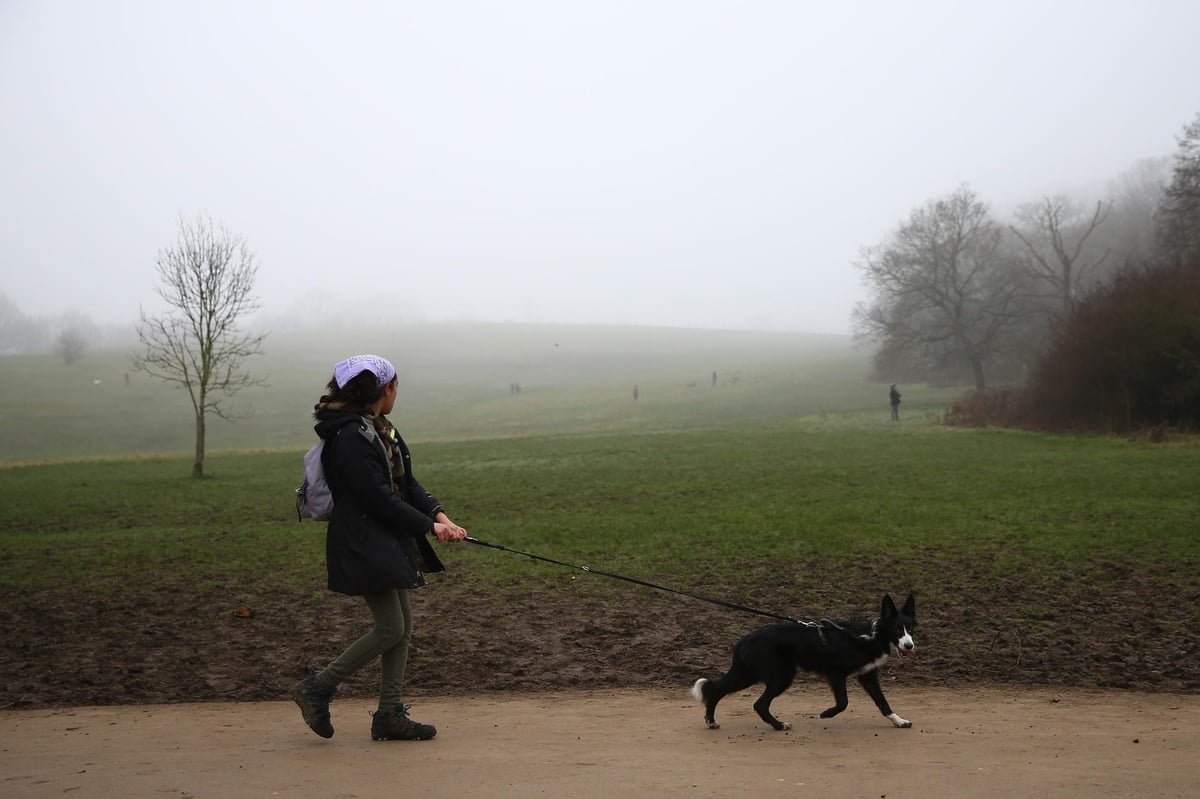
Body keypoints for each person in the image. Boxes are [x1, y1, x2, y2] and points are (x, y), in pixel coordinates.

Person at [292, 354, 468, 742]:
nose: (396, 393)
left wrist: (440, 516)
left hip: (384, 539)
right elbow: (375, 498)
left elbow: (408, 487)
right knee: (391, 627)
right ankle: (317, 687)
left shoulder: (379, 428)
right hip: (363, 542)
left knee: (400, 628)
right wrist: (428, 527)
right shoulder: (351, 436)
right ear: (383, 389)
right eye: (396, 387)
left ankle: (389, 713)